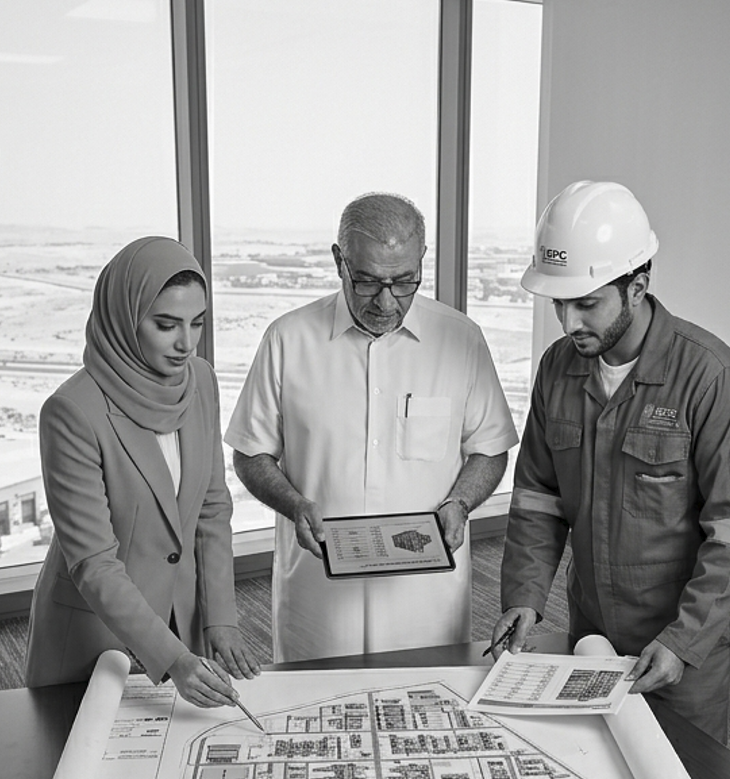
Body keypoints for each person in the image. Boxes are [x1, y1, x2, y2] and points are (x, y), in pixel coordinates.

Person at [225, 192, 518, 663]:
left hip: (427, 606)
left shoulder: (462, 340)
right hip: (319, 606)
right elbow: (250, 453)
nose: (386, 301)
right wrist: (294, 505)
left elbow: (489, 448)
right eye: (367, 281)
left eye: (404, 282)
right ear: (339, 261)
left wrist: (461, 503)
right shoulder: (287, 339)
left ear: (422, 262)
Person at [492, 180, 730, 742]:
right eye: (558, 302)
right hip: (593, 635)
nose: (569, 322)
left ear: (637, 287)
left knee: (687, 777)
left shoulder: (708, 376)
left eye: (587, 303)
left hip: (684, 648)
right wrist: (525, 597)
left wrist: (682, 640)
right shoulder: (559, 369)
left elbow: (728, 533)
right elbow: (537, 499)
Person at [25, 236, 260, 707]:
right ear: (125, 317)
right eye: (165, 325)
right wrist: (172, 657)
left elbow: (212, 508)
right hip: (95, 634)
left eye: (197, 323)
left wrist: (221, 617)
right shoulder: (72, 411)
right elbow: (94, 562)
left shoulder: (202, 381)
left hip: (181, 622)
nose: (186, 343)